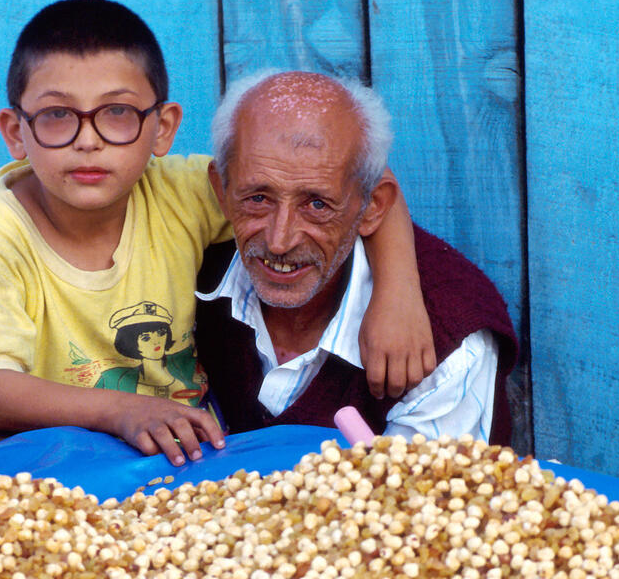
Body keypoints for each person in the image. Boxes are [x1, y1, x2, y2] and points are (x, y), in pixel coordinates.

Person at [0, 0, 436, 467]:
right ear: (15, 132)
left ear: (163, 127)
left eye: (117, 113)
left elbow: (366, 186)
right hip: (62, 472)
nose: (87, 140)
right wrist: (121, 411)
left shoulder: (178, 193)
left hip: (191, 462)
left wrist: (397, 297)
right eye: (57, 116)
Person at [194, 71, 519, 443]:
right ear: (222, 190)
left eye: (317, 205)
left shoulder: (446, 339)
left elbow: (428, 482)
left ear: (372, 207)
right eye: (258, 199)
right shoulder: (188, 258)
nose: (279, 240)